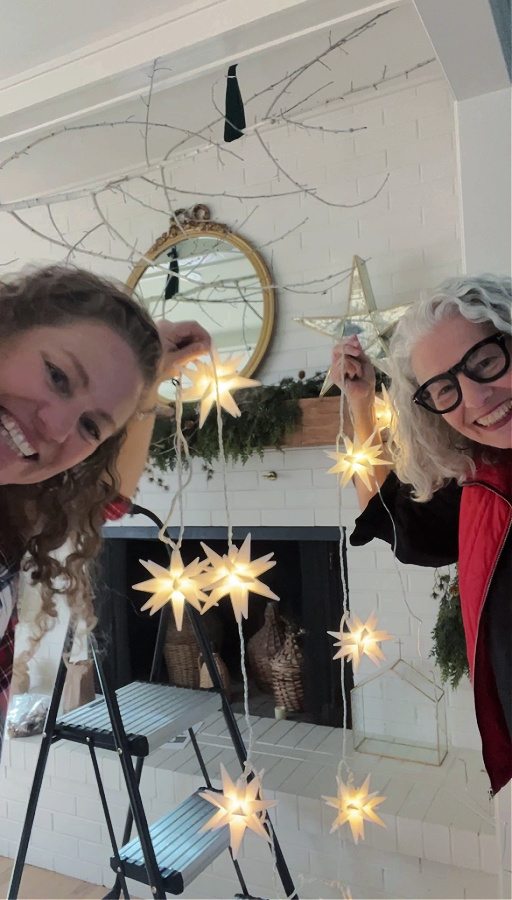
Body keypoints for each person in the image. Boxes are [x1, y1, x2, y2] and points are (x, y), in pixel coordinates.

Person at [0, 264, 211, 752]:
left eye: (91, 428)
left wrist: (149, 383)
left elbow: (106, 500)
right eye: (56, 376)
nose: (54, 430)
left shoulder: (14, 512)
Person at [331, 274, 512, 795]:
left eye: (483, 361)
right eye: (445, 389)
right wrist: (361, 402)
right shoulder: (483, 488)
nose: (477, 397)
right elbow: (395, 522)